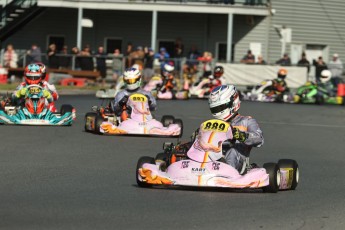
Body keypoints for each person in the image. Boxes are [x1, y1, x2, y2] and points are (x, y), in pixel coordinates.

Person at [205, 85, 264, 173]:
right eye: (215, 109)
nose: (217, 111)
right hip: (213, 156)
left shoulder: (246, 121)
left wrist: (242, 135)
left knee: (232, 151)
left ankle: (226, 173)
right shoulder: (211, 124)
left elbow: (259, 139)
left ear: (233, 103)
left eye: (220, 108)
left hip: (238, 160)